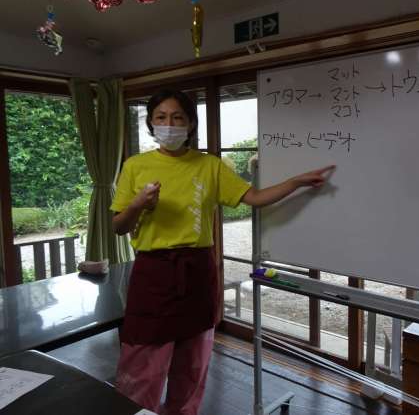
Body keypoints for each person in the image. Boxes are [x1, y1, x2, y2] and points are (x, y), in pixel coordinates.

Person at [110, 89, 334, 415]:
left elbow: (255, 198)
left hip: (198, 271)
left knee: (193, 365)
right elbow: (119, 226)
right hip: (153, 273)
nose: (169, 124)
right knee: (143, 366)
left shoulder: (209, 166)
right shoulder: (135, 166)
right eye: (161, 117)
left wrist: (295, 182)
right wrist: (137, 205)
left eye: (177, 118)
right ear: (151, 123)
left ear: (190, 124)